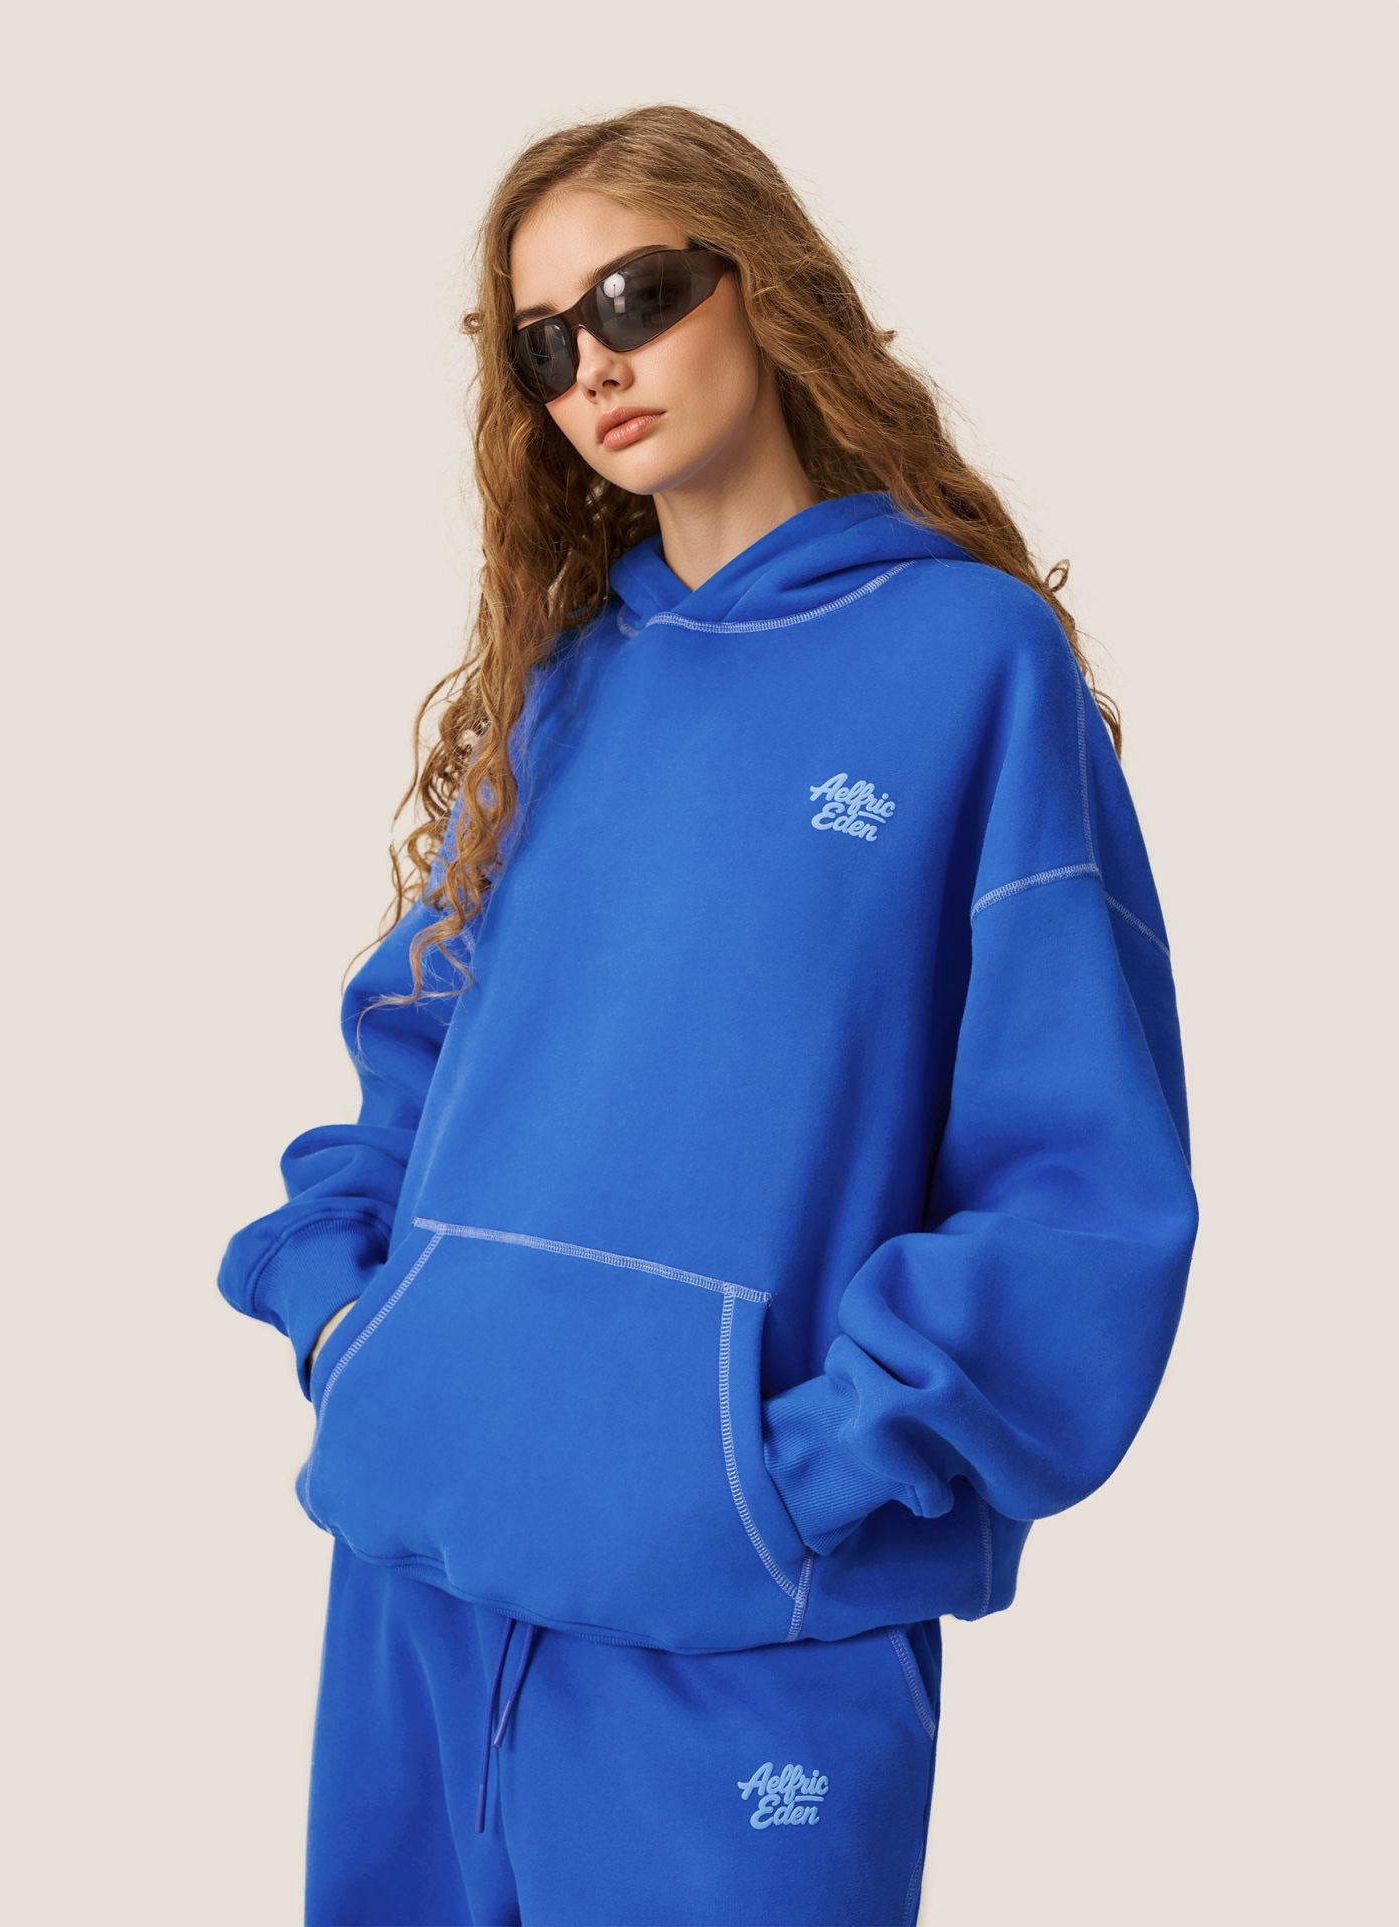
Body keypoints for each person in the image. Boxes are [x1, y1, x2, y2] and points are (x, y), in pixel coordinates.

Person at [217, 103, 1200, 1927]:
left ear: (766, 287)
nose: (594, 366)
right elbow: (409, 1061)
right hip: (419, 1582)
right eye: (543, 342)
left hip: (745, 1627)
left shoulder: (968, 663)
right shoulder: (561, 687)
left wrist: (792, 1474)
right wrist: (355, 1325)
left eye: (636, 296)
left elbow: (1078, 1182)